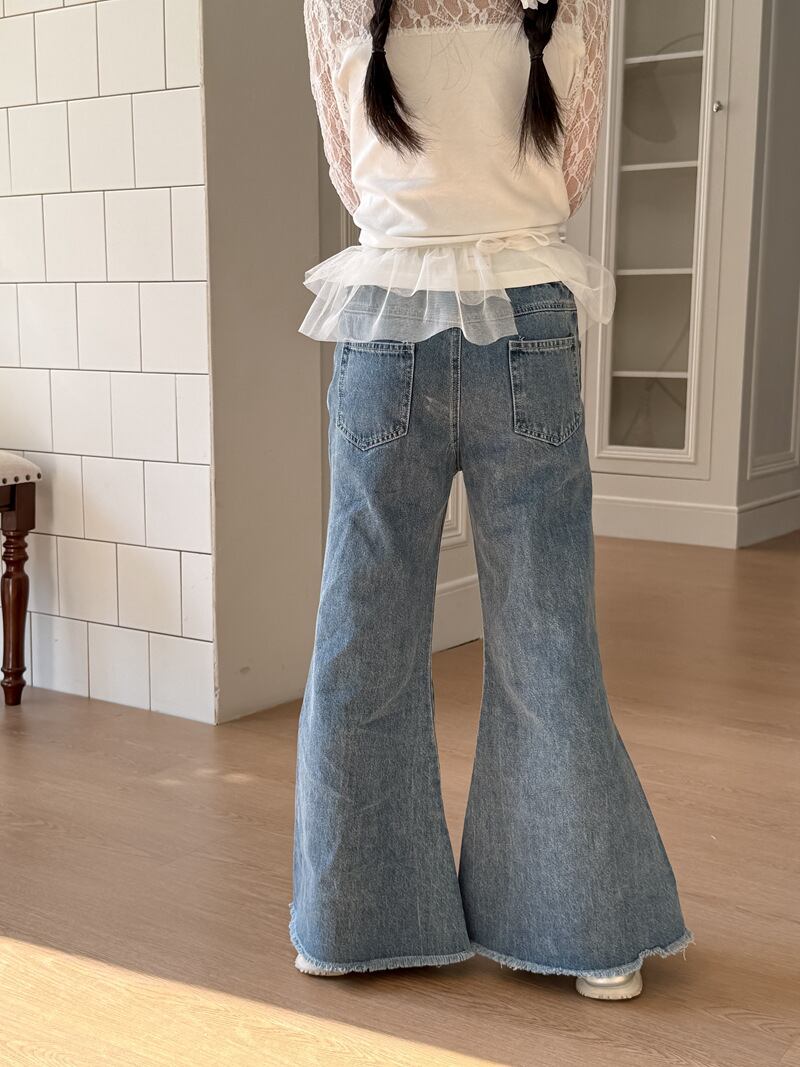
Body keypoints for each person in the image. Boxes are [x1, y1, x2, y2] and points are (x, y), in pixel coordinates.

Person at [290, 0, 694, 1001]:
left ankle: (351, 923)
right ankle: (586, 933)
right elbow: (569, 171)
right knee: (547, 634)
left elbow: (349, 170)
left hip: (385, 319)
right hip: (526, 314)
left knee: (361, 634)